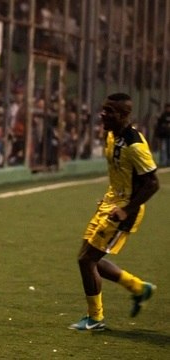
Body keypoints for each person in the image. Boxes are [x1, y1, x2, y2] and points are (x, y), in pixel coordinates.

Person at [68, 93, 159, 331]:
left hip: (123, 211)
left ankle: (96, 318)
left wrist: (126, 210)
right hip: (110, 204)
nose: (103, 114)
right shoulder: (111, 135)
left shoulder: (135, 145)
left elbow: (152, 183)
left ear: (124, 115)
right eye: (103, 109)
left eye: (110, 111)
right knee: (88, 258)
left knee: (86, 260)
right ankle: (139, 288)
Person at [154, 102, 170, 167]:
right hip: (163, 135)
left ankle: (168, 162)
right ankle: (163, 162)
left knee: (169, 149)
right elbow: (159, 124)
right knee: (163, 149)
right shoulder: (163, 115)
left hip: (169, 135)